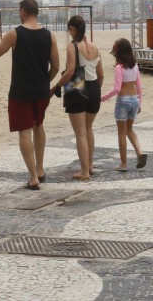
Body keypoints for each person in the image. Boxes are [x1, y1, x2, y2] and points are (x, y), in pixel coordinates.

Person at [0, 0, 59, 190]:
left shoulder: (14, 34)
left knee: (24, 132)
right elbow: (56, 67)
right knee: (39, 126)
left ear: (23, 11)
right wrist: (44, 82)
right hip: (41, 91)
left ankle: (33, 177)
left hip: (20, 91)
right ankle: (40, 170)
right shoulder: (50, 36)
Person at [51, 15, 103, 181]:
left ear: (73, 29)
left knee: (80, 133)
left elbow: (71, 71)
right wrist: (93, 91)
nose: (69, 32)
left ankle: (84, 171)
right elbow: (100, 75)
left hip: (78, 85)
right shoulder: (94, 47)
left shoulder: (72, 46)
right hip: (94, 87)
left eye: (69, 29)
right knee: (88, 129)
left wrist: (56, 86)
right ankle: (90, 165)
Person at [100, 38, 147, 171]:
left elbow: (116, 88)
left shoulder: (119, 68)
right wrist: (140, 104)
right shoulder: (135, 66)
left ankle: (124, 164)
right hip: (134, 101)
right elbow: (139, 87)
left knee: (121, 132)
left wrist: (102, 98)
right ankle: (139, 152)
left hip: (123, 101)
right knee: (129, 129)